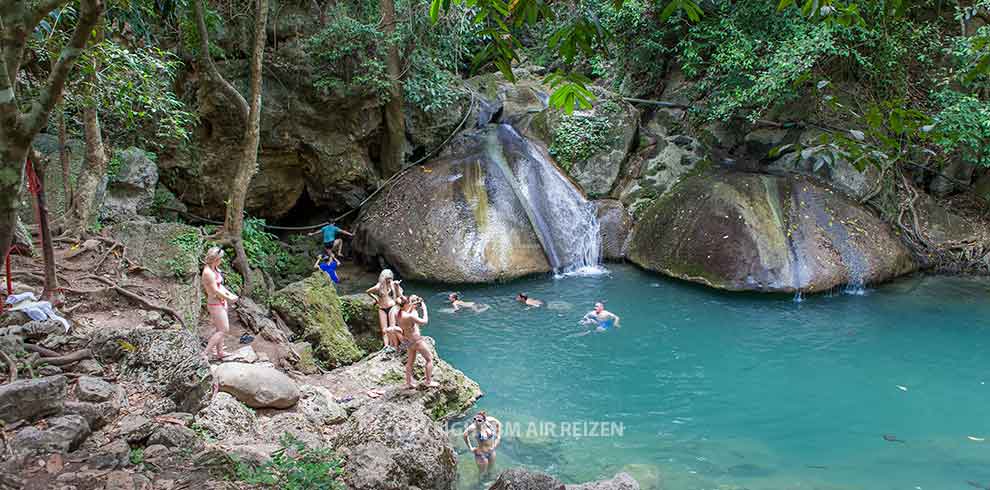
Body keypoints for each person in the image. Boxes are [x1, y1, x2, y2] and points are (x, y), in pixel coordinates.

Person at [201, 247, 238, 361]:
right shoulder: (208, 273)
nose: (222, 260)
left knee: (219, 329)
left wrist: (230, 294)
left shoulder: (215, 269)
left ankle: (220, 352)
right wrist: (229, 298)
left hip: (221, 302)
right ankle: (204, 354)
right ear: (215, 259)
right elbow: (214, 291)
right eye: (220, 258)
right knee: (224, 329)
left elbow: (220, 286)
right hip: (215, 304)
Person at [396, 295, 439, 389]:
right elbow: (424, 322)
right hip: (417, 341)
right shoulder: (409, 316)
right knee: (429, 359)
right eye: (409, 302)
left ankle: (409, 383)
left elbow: (407, 311)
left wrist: (412, 305)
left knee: (410, 363)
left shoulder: (398, 313)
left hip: (408, 341)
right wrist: (424, 309)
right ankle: (428, 382)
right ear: (406, 304)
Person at [366, 269, 403, 352]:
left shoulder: (393, 284)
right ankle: (386, 346)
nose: (389, 280)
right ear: (383, 278)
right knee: (384, 330)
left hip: (392, 307)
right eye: (387, 279)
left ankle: (395, 346)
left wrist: (397, 286)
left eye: (390, 278)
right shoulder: (378, 286)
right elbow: (368, 291)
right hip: (382, 308)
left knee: (392, 328)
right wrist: (376, 299)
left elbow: (400, 295)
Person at [463, 410, 502, 477]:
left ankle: (489, 481)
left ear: (484, 420)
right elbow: (465, 435)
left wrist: (498, 437)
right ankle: (480, 484)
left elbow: (498, 423)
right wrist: (470, 448)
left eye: (479, 420)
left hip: (491, 451)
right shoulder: (473, 427)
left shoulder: (489, 420)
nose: (476, 422)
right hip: (481, 454)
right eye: (475, 419)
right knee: (481, 473)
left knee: (490, 470)